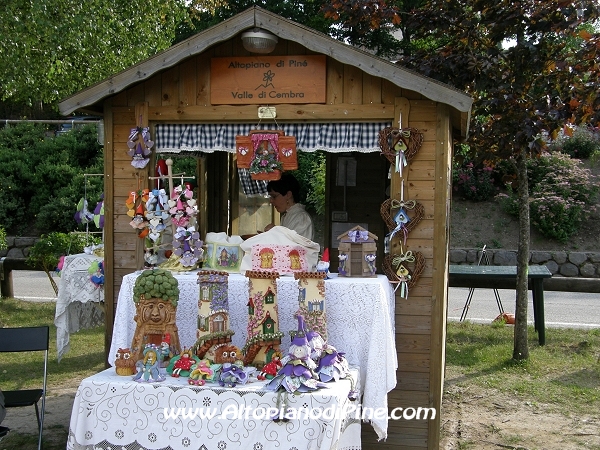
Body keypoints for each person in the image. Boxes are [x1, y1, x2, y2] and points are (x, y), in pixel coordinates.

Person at [263, 173, 314, 240]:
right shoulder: (288, 215)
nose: (271, 201)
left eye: (274, 196)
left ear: (288, 195)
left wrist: (275, 232)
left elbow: (296, 247)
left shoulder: (301, 217)